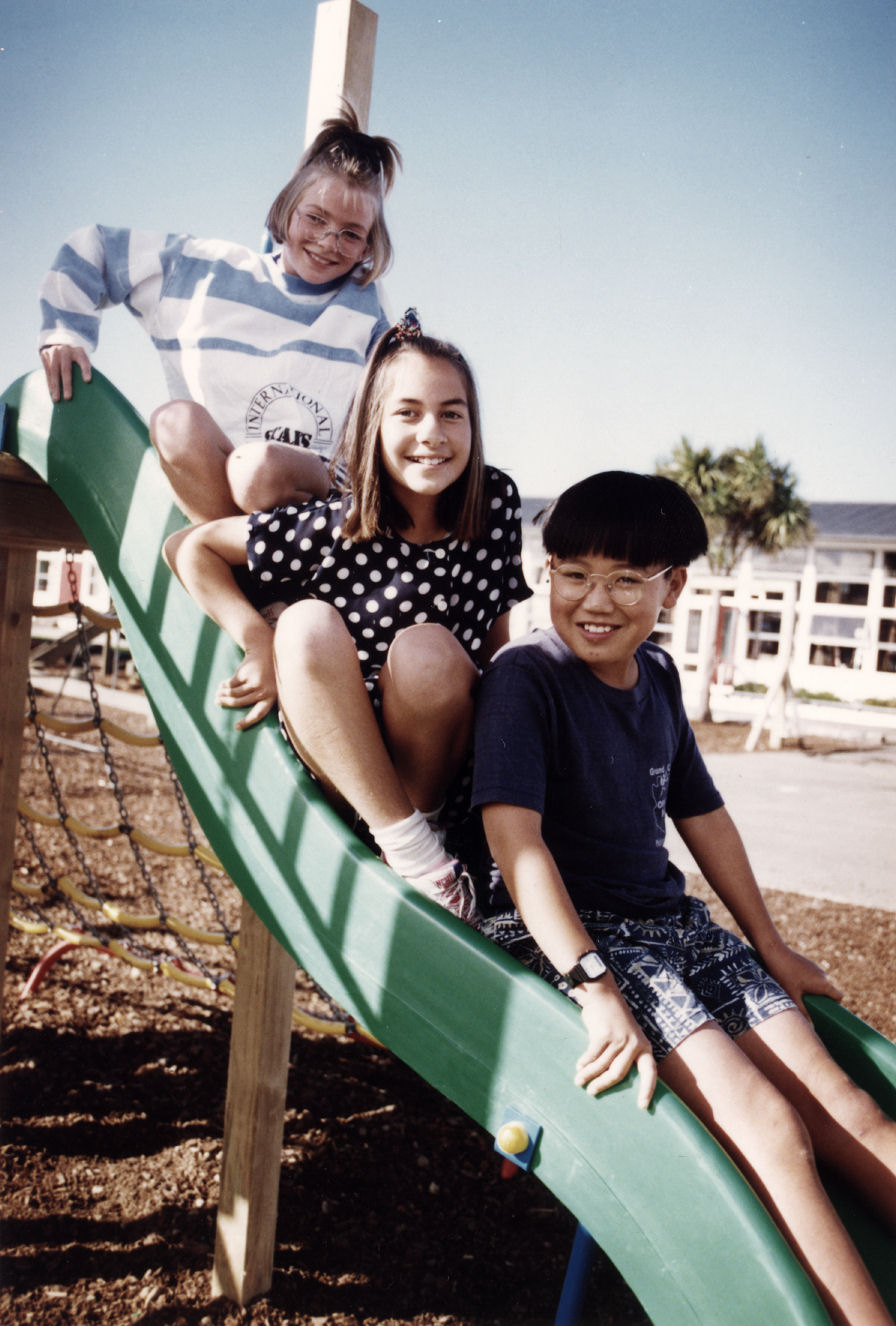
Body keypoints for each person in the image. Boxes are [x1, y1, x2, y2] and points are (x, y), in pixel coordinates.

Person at [471, 470, 896, 1326]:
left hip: (673, 927)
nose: (597, 600)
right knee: (770, 1129)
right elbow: (516, 845)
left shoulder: (657, 676)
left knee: (848, 1107)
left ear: (674, 586)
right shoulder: (527, 680)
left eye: (627, 578)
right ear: (545, 571)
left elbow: (703, 817)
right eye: (574, 573)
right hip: (582, 936)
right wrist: (593, 986)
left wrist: (769, 943)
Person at [165, 311, 532, 924]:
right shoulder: (337, 523)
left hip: (436, 766)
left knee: (429, 652)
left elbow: (495, 640)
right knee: (304, 623)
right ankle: (415, 854)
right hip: (346, 758)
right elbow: (189, 546)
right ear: (373, 425)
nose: (432, 433)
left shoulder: (493, 502)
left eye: (452, 413)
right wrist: (257, 638)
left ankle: (421, 830)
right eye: (407, 413)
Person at [38, 104, 400, 523]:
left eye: (351, 234)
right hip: (216, 496)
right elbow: (93, 248)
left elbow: (402, 389)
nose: (327, 241)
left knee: (258, 471)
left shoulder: (364, 303)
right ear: (287, 206)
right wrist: (65, 333)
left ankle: (253, 563)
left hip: (314, 511)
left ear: (370, 244)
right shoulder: (206, 272)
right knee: (174, 422)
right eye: (316, 218)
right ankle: (238, 567)